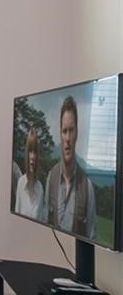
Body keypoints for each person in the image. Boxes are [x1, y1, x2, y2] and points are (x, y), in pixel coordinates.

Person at [45, 96, 97, 239]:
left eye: (71, 130)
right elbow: (45, 224)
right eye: (64, 131)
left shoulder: (87, 187)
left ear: (77, 133)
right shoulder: (51, 178)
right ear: (60, 134)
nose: (67, 138)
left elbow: (91, 239)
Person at [14, 128, 46, 220]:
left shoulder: (40, 188)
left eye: (35, 152)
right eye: (30, 151)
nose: (32, 157)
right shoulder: (20, 183)